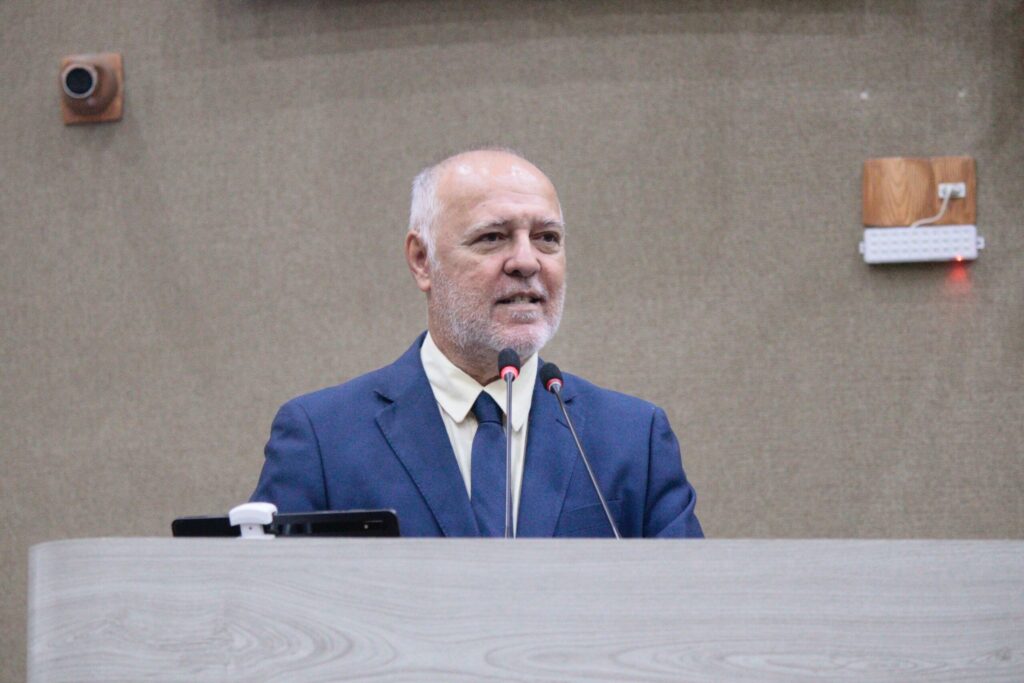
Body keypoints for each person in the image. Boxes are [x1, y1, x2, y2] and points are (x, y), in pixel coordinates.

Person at [250, 149, 702, 538]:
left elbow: (688, 602)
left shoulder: (632, 439)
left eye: (547, 238)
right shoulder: (324, 438)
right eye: (493, 238)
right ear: (422, 260)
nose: (526, 261)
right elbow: (269, 602)